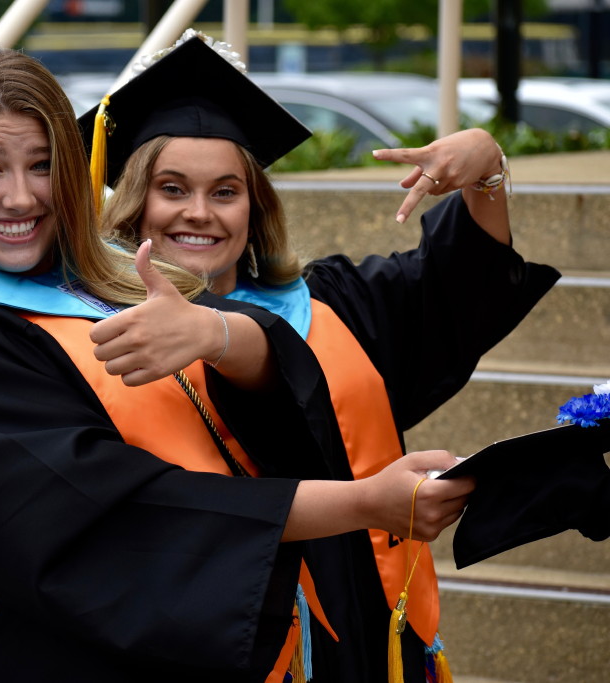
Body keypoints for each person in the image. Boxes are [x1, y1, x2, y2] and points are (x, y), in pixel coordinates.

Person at [0, 46, 473, 682]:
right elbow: (122, 513)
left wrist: (220, 334)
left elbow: (264, 422)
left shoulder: (102, 292)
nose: (21, 196)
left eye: (43, 165)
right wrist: (365, 503)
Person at [87, 32, 561, 682]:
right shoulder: (90, 336)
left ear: (254, 208)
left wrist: (485, 169)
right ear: (135, 202)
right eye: (172, 188)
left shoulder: (327, 306)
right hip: (217, 651)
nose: (199, 212)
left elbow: (458, 289)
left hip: (368, 638)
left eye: (226, 191)